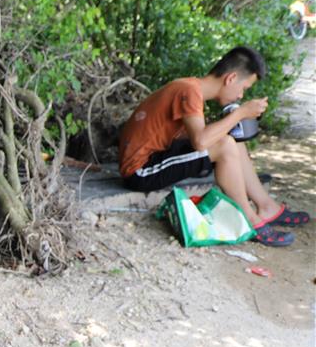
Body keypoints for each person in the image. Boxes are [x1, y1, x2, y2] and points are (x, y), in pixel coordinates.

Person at [118, 45, 309, 247]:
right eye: (244, 89)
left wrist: (235, 119)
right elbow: (200, 142)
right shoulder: (189, 91)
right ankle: (250, 220)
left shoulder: (190, 88)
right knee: (225, 145)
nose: (241, 96)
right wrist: (241, 113)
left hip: (158, 158)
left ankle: (267, 207)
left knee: (229, 140)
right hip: (140, 171)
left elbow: (197, 136)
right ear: (231, 78)